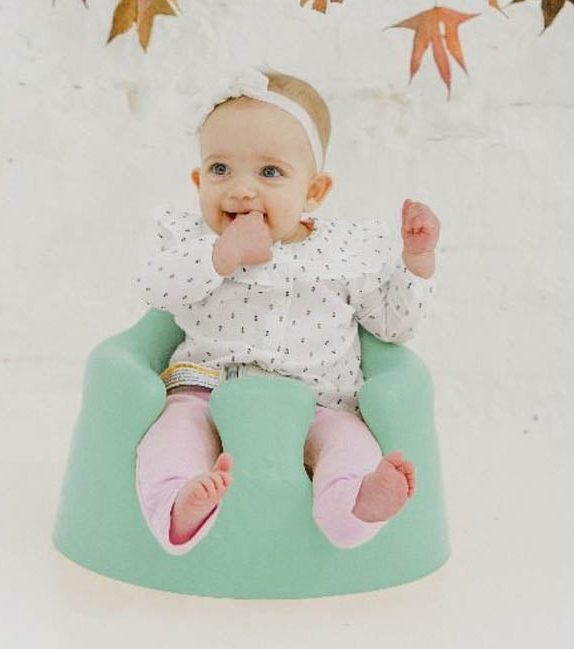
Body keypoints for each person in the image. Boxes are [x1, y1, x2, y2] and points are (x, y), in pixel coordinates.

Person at [134, 68, 440, 553]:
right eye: (220, 170)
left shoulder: (344, 252)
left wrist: (416, 265)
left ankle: (355, 504)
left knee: (349, 447)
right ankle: (179, 502)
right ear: (197, 179)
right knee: (171, 438)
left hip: (321, 402)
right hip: (208, 391)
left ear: (313, 192)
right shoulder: (196, 240)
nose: (241, 189)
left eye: (270, 172)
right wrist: (221, 255)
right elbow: (153, 286)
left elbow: (394, 326)